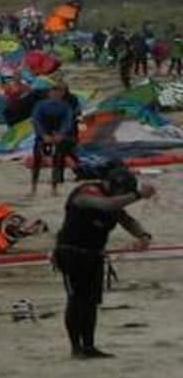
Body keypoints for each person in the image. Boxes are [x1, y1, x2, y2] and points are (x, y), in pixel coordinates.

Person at [54, 164, 155, 358]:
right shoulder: (85, 192)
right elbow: (108, 205)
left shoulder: (113, 201)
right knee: (77, 300)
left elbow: (125, 219)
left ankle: (89, 346)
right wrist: (138, 195)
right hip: (72, 253)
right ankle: (76, 348)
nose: (123, 197)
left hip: (94, 254)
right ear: (112, 185)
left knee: (91, 302)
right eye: (122, 192)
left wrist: (143, 235)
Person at [30, 81, 79, 197]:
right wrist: (43, 135)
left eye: (59, 92)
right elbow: (36, 120)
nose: (56, 95)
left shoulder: (66, 106)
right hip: (43, 134)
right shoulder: (41, 105)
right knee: (37, 159)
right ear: (49, 93)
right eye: (54, 92)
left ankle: (54, 187)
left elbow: (67, 122)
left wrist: (61, 134)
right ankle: (33, 187)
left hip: (58, 134)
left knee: (58, 159)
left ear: (62, 94)